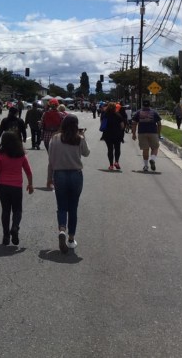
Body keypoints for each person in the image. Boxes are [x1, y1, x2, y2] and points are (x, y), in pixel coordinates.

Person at [48, 115, 90, 254]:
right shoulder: (79, 139)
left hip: (59, 174)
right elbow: (86, 153)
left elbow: (51, 160)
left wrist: (49, 178)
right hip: (76, 175)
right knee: (73, 208)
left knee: (61, 207)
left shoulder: (55, 138)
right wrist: (82, 136)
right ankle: (71, 239)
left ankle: (62, 230)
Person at [0, 131, 33, 246]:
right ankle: (15, 227)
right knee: (17, 210)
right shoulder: (21, 155)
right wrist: (30, 184)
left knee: (5, 211)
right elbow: (28, 171)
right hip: (16, 186)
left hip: (3, 186)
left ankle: (6, 236)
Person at [131, 100, 162, 172]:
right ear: (149, 105)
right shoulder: (154, 112)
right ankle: (152, 159)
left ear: (142, 105)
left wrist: (133, 134)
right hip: (153, 133)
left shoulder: (138, 112)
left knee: (145, 149)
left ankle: (145, 166)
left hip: (142, 133)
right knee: (155, 147)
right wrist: (158, 133)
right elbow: (159, 124)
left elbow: (134, 123)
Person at [100, 102, 125, 170]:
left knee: (110, 149)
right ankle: (116, 162)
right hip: (117, 134)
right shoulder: (118, 115)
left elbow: (102, 123)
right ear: (115, 108)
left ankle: (111, 165)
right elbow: (122, 126)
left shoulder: (105, 115)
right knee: (117, 148)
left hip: (107, 135)